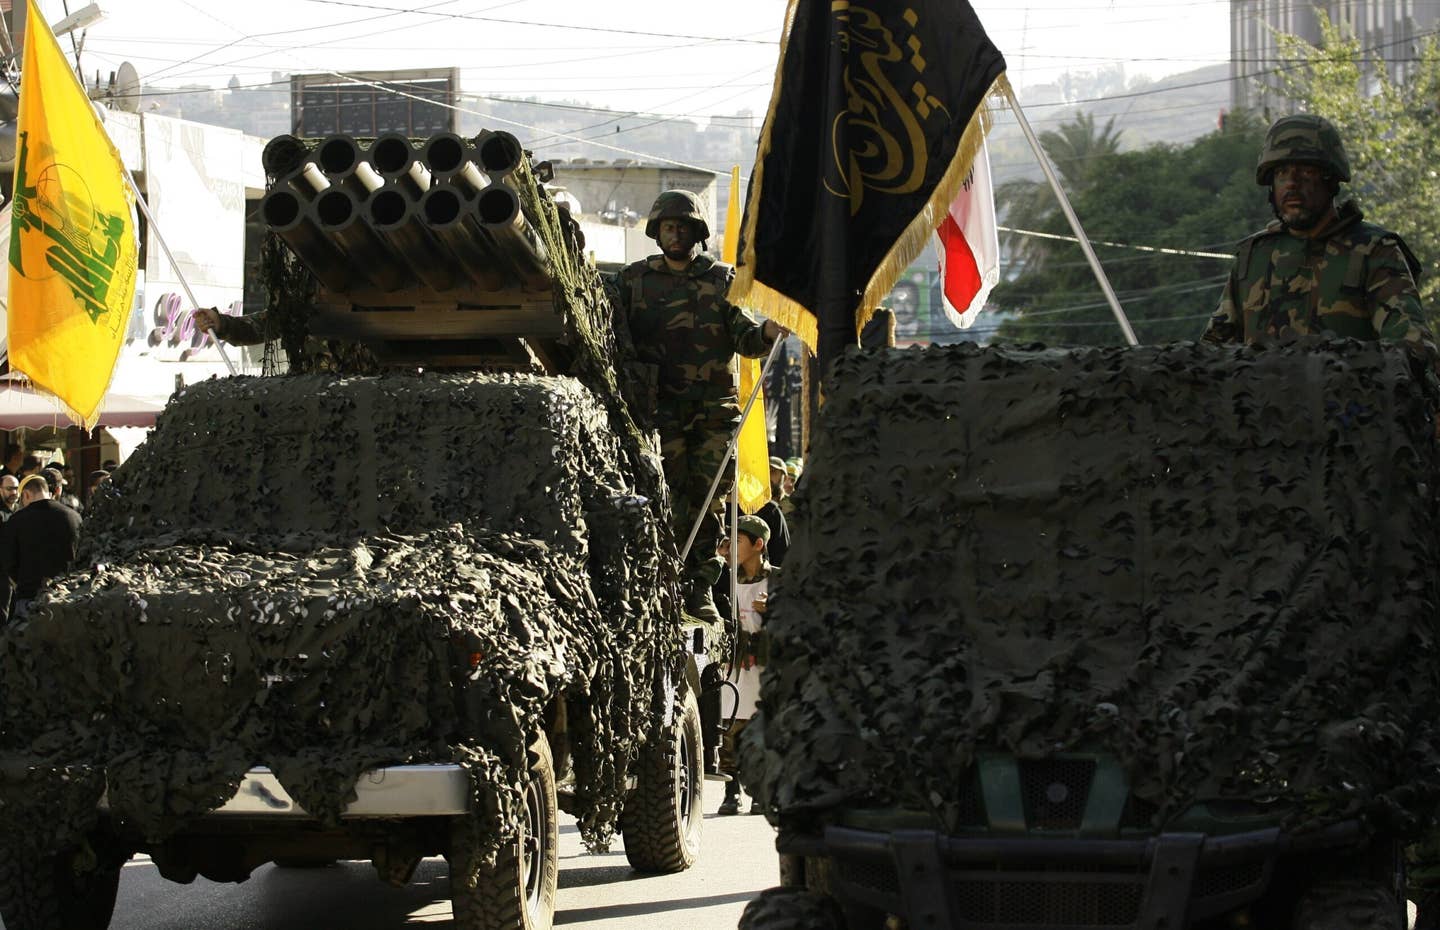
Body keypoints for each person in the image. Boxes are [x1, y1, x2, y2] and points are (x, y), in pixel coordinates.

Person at [609, 190, 785, 623]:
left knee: (710, 501)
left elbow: (745, 339)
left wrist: (768, 332)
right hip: (659, 411)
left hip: (712, 413)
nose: (675, 233)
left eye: (683, 226)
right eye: (668, 226)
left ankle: (701, 584)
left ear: (697, 232)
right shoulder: (632, 281)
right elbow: (608, 329)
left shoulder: (721, 281)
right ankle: (663, 580)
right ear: (656, 232)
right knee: (667, 498)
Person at [1202, 114, 1432, 352]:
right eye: (1282, 173)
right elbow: (1211, 355)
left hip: (1347, 389)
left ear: (1331, 180)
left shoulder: (1373, 250)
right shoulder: (1254, 256)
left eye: (1306, 172)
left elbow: (1412, 349)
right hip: (1262, 389)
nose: (1292, 183)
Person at [714, 514, 775, 816]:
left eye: (738, 541)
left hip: (764, 666)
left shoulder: (777, 580)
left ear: (758, 544)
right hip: (733, 665)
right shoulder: (724, 579)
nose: (733, 547)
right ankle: (730, 791)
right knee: (730, 728)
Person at [0, 474, 82, 619]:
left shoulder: (16, 521)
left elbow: (8, 562)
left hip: (29, 598)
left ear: (26, 494)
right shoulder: (74, 517)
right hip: (68, 596)